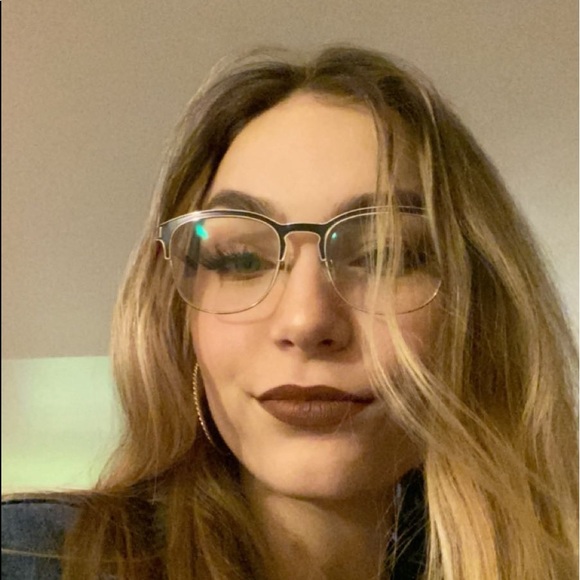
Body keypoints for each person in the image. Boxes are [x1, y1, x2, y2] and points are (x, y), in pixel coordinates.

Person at [2, 44, 577, 580]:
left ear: (480, 310)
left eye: (384, 255)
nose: (306, 322)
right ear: (179, 320)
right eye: (239, 259)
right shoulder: (30, 558)